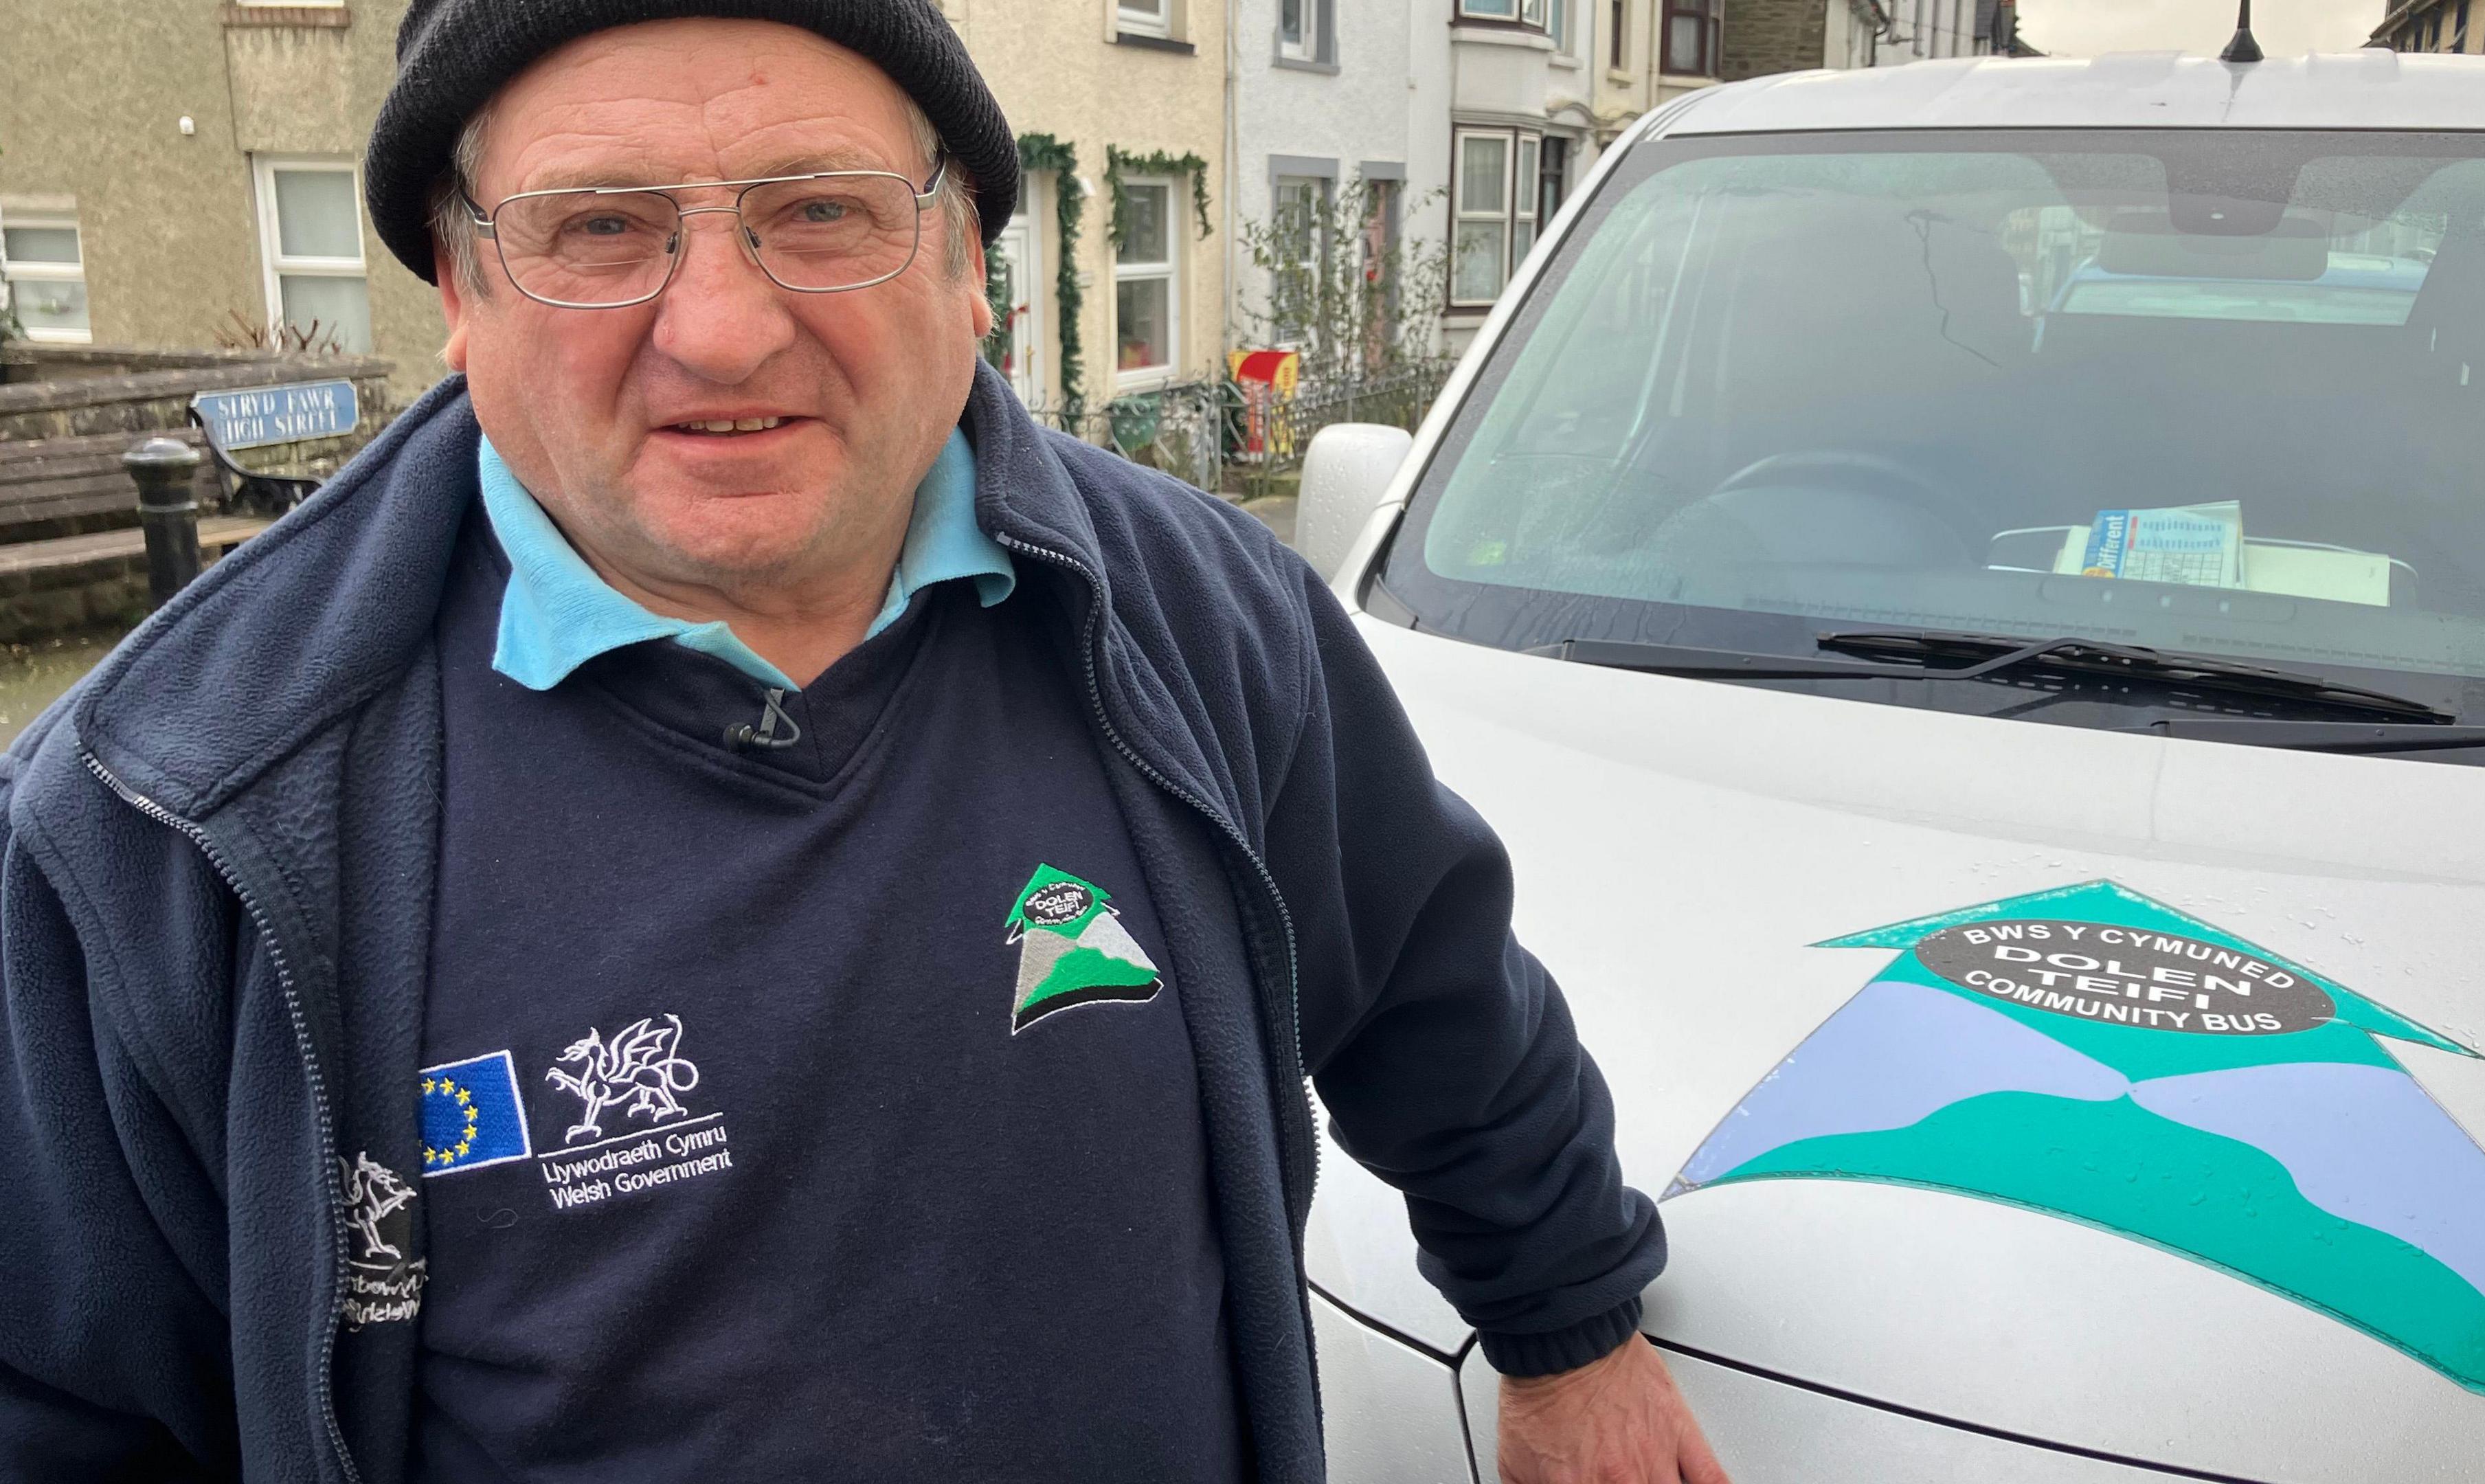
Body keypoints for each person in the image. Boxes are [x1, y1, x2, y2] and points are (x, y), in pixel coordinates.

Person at [0, 4, 1724, 1481]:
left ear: (971, 258)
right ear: (461, 285)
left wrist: (1567, 1327)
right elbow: (66, 1411)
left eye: (817, 212)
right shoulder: (165, 819)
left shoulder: (1204, 617)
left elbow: (1429, 985)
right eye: (598, 228)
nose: (724, 328)